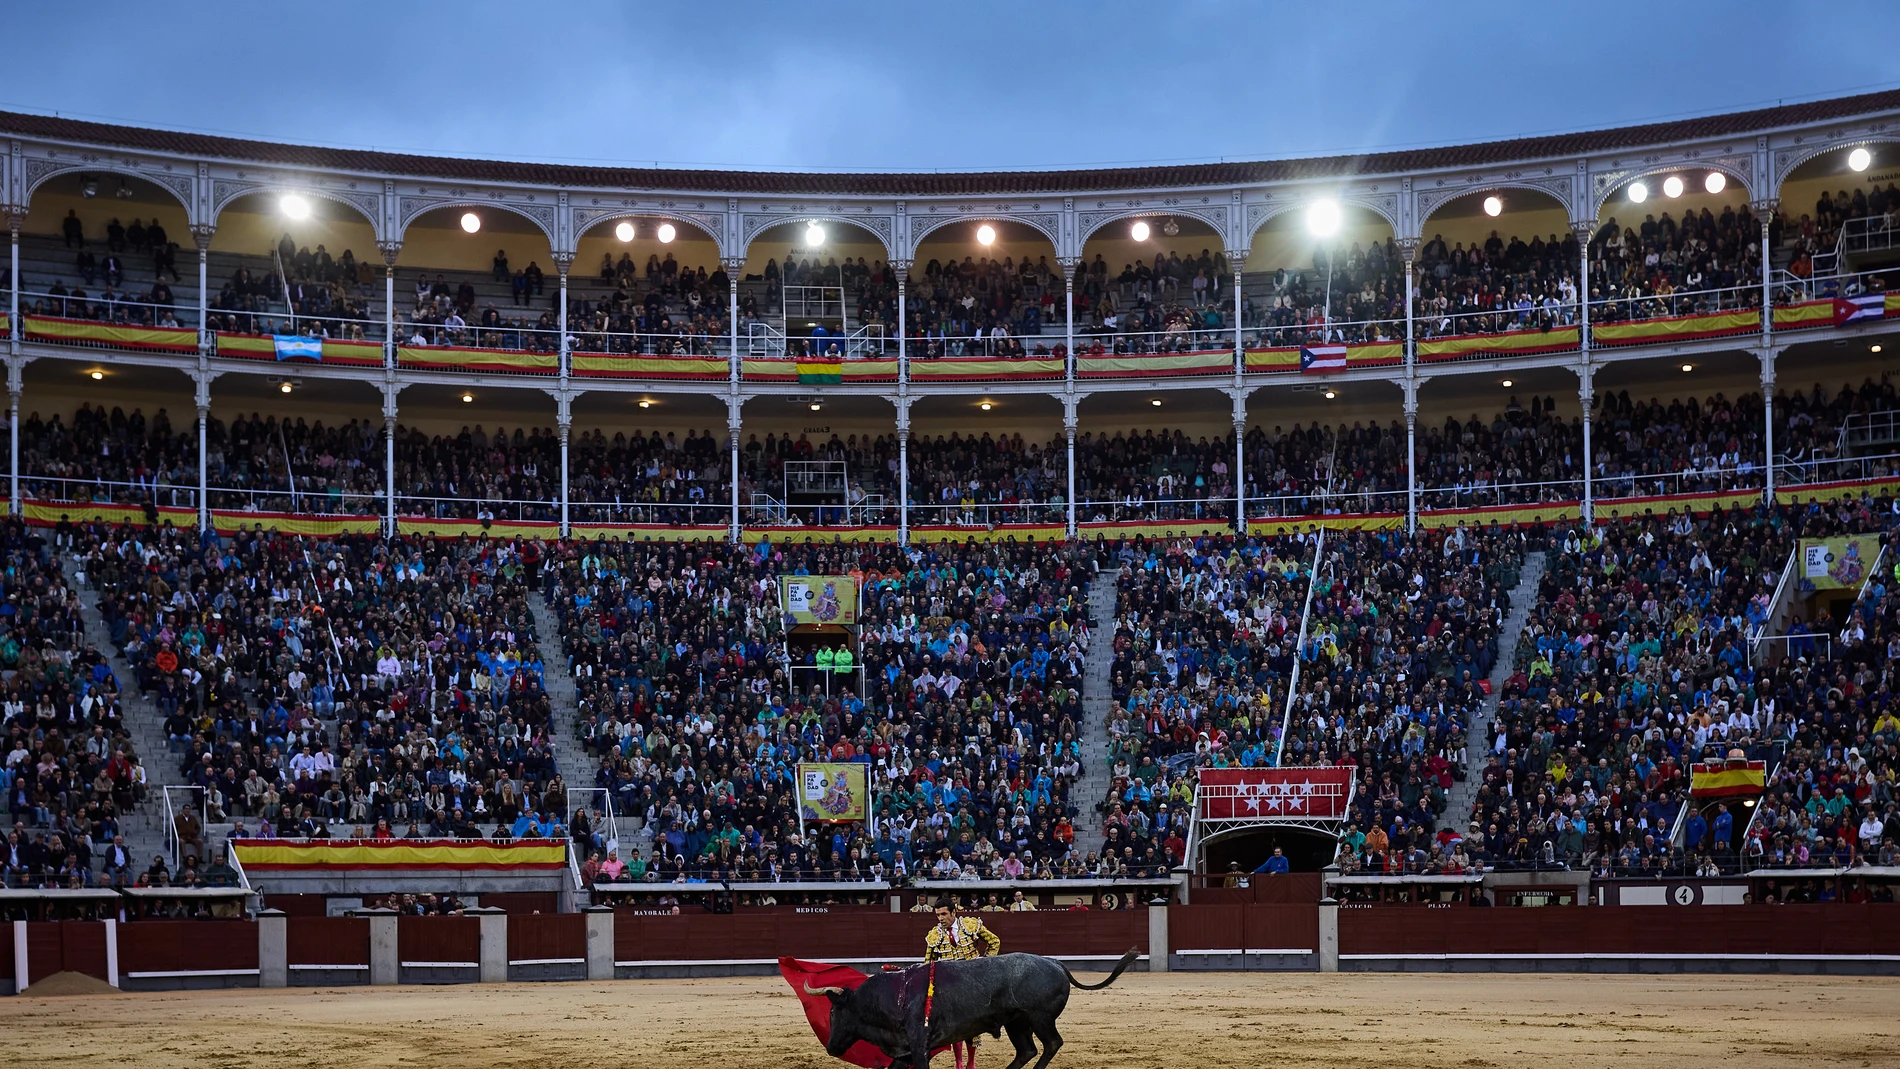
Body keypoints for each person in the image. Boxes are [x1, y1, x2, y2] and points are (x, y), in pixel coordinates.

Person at [925, 895, 1000, 962]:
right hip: (949, 975)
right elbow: (929, 964)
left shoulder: (969, 925)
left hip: (972, 972)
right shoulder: (934, 935)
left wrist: (986, 962)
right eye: (938, 915)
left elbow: (994, 941)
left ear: (953, 912)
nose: (940, 918)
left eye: (944, 914)